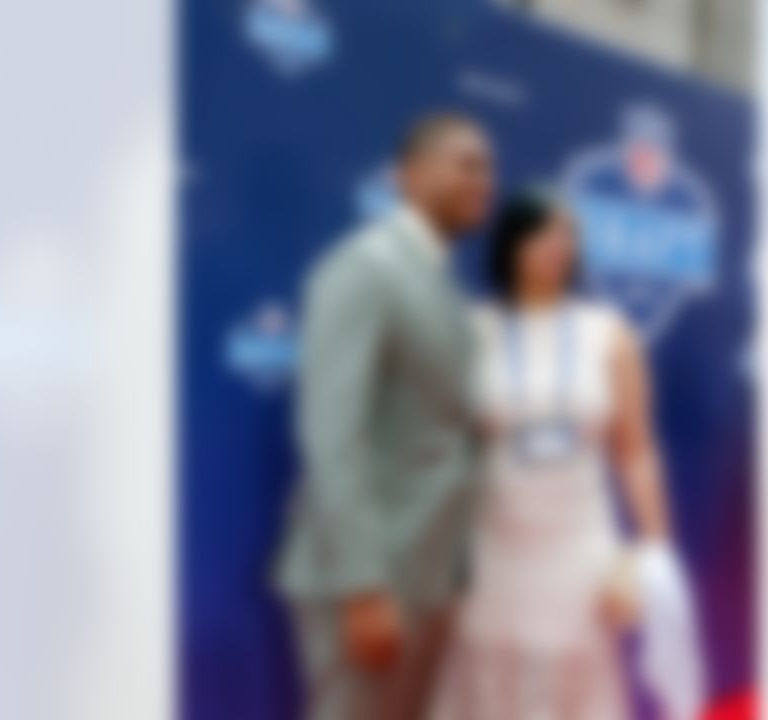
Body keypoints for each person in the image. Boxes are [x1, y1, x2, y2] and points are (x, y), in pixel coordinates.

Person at [275, 112, 494, 720]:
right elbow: (331, 434)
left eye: (488, 168)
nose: (484, 181)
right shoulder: (363, 268)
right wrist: (363, 584)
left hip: (427, 574)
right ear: (409, 176)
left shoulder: (438, 279)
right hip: (372, 578)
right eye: (466, 163)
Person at [433, 191, 678, 719]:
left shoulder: (609, 334)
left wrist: (653, 550)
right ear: (513, 242)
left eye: (568, 234)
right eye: (544, 232)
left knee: (576, 684)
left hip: (579, 546)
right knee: (485, 683)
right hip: (491, 547)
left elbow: (636, 452)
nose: (557, 245)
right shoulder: (469, 331)